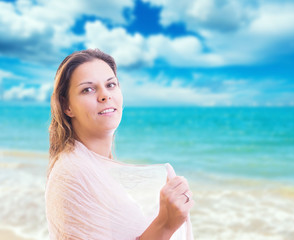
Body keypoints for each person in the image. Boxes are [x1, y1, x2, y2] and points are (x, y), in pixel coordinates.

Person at [45, 49, 194, 240]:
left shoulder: (95, 170)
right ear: (67, 106)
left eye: (111, 85)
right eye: (88, 89)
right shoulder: (72, 174)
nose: (105, 95)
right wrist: (165, 224)